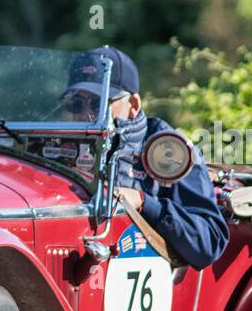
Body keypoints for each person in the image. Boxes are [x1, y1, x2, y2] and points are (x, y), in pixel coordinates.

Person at [62, 46, 229, 269]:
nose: (85, 114)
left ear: (133, 105)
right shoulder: (54, 145)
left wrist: (144, 203)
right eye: (76, 104)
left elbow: (210, 242)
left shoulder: (170, 150)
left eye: (98, 104)